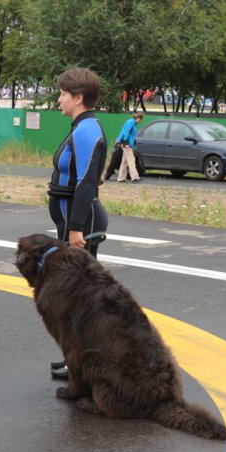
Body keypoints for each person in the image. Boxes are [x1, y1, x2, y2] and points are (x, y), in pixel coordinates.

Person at [47, 67, 109, 379]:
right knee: (76, 296)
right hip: (74, 221)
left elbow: (86, 183)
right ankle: (77, 359)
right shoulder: (81, 127)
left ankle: (86, 365)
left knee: (81, 298)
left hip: (79, 224)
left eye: (63, 94)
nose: (59, 99)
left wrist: (75, 229)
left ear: (79, 97)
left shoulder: (87, 129)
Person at [116, 112, 143, 183]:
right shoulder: (131, 122)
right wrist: (126, 143)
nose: (140, 122)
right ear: (138, 118)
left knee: (124, 161)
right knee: (131, 159)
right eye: (140, 120)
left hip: (126, 143)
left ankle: (121, 178)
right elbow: (126, 133)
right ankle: (134, 177)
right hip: (126, 144)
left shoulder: (131, 122)